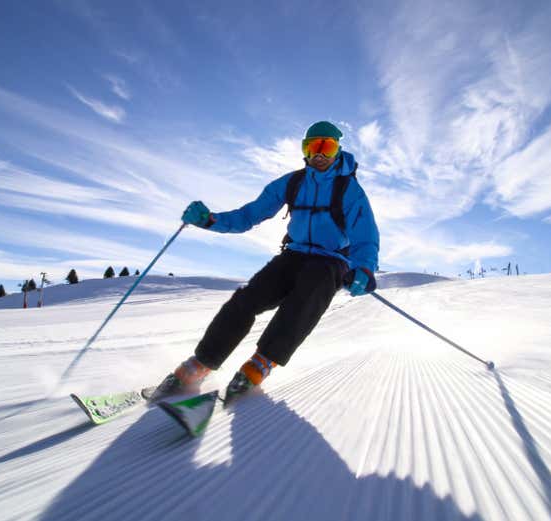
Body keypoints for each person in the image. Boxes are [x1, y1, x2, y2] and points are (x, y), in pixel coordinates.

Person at [151, 121, 380, 404]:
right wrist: (210, 220)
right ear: (304, 151)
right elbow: (249, 215)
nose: (319, 155)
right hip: (294, 254)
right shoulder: (292, 183)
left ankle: (259, 365)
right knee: (246, 299)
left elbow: (365, 235)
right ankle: (200, 364)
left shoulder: (350, 190)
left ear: (338, 151)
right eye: (312, 147)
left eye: (327, 147)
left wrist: (364, 268)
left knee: (305, 299)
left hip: (330, 261)